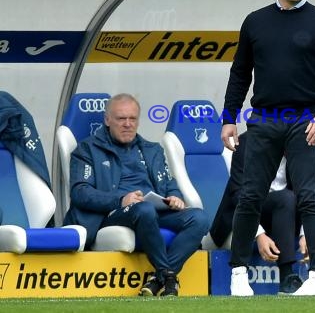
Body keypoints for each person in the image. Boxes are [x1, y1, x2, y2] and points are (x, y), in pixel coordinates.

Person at [221, 0, 315, 296]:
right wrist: (229, 118)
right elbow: (239, 74)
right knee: (250, 196)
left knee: (309, 197)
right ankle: (238, 273)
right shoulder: (255, 21)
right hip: (263, 119)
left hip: (306, 119)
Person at [63, 93, 209, 297]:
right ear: (107, 120)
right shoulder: (87, 149)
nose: (127, 124)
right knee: (144, 208)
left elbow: (168, 183)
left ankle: (162, 277)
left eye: (132, 119)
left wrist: (175, 197)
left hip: (152, 210)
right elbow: (80, 192)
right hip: (113, 213)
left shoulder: (152, 150)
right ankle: (167, 276)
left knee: (200, 218)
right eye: (121, 119)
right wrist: (120, 200)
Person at [209, 132, 303, 295]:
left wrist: (305, 233)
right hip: (244, 211)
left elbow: (304, 192)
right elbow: (238, 193)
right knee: (283, 199)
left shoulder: (297, 145)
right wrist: (258, 234)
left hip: (282, 213)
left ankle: (288, 278)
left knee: (287, 198)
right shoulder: (245, 143)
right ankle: (240, 275)